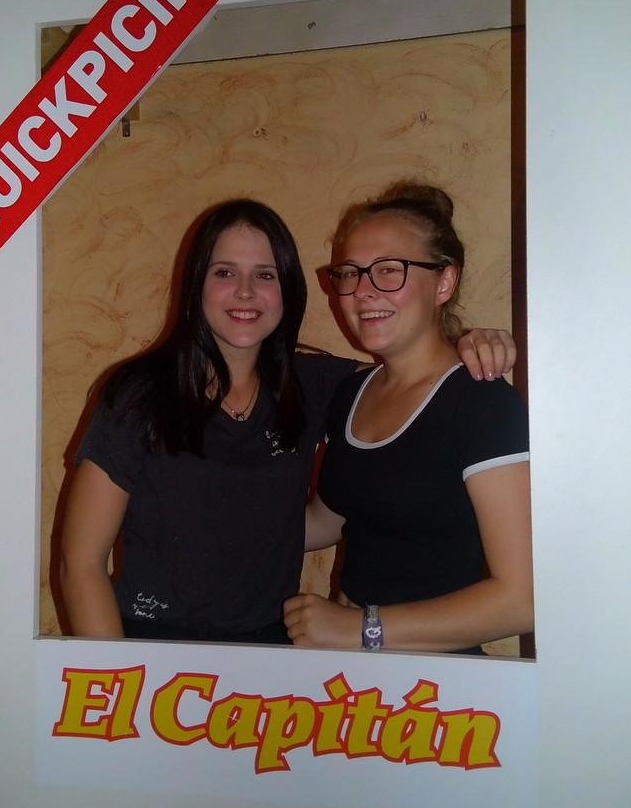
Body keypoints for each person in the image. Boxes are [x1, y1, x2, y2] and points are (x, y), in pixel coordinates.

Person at [60, 197, 517, 644]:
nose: (244, 291)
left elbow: (417, 380)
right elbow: (79, 564)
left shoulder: (317, 386)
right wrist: (114, 679)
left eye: (265, 274)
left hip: (275, 656)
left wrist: (466, 341)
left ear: (287, 289)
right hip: (151, 647)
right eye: (224, 272)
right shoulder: (139, 394)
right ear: (196, 282)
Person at [284, 182, 532, 654]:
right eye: (350, 273)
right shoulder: (351, 393)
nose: (362, 291)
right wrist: (218, 523)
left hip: (436, 685)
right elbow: (328, 520)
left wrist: (361, 629)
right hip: (355, 675)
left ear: (444, 283)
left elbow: (521, 600)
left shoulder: (482, 404)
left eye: (388, 270)